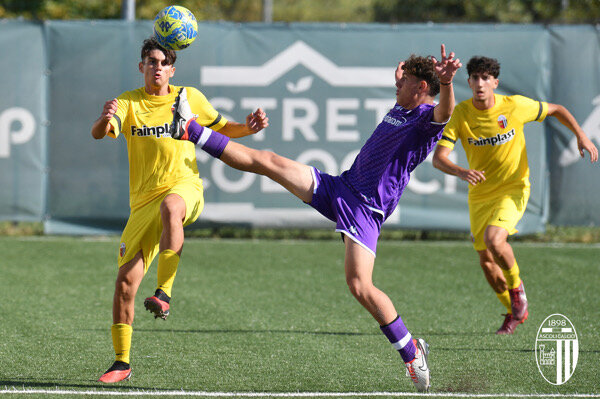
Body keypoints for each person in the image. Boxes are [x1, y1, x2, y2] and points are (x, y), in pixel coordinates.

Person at [167, 45, 461, 392]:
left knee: (359, 285)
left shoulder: (427, 118)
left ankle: (412, 352)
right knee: (268, 161)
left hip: (366, 208)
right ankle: (190, 130)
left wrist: (446, 83)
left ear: (422, 87)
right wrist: (404, 83)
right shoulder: (403, 104)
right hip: (341, 188)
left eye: (407, 81)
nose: (399, 84)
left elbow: (444, 110)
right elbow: (410, 96)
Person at [90, 37, 269, 383]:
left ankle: (164, 293)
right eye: (150, 61)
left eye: (163, 63)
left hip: (184, 186)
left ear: (173, 69)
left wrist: (249, 127)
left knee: (172, 207)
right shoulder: (128, 102)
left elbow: (223, 128)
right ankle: (121, 363)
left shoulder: (188, 97)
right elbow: (99, 134)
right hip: (142, 203)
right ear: (141, 66)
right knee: (125, 284)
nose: (157, 68)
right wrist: (104, 118)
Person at [432, 56, 598, 335]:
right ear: (469, 82)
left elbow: (556, 109)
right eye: (475, 77)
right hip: (479, 196)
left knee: (495, 240)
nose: (480, 83)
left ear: (495, 83)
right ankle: (514, 311)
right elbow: (439, 158)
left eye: (486, 78)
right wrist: (462, 172)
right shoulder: (460, 114)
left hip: (513, 188)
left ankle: (518, 292)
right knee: (486, 262)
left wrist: (581, 135)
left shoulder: (514, 106)